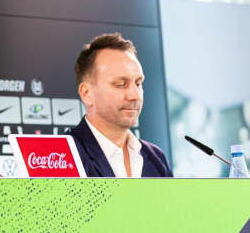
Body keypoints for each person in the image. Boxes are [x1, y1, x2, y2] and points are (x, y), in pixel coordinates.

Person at [68, 33, 173, 178]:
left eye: (138, 84)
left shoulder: (156, 158)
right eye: (121, 84)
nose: (135, 95)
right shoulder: (61, 157)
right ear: (87, 93)